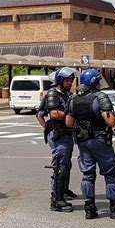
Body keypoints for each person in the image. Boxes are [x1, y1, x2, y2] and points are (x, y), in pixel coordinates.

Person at [66, 69, 115, 220]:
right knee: (110, 173)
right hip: (100, 139)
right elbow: (110, 121)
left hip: (83, 140)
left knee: (87, 174)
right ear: (95, 82)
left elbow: (69, 122)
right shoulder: (100, 97)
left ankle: (89, 208)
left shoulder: (73, 99)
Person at [45, 67, 78, 212]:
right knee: (60, 166)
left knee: (65, 166)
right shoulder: (53, 93)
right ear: (60, 80)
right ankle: (56, 200)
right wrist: (71, 115)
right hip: (58, 134)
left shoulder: (68, 94)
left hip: (68, 134)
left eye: (71, 80)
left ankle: (61, 195)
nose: (69, 83)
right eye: (67, 80)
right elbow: (53, 114)